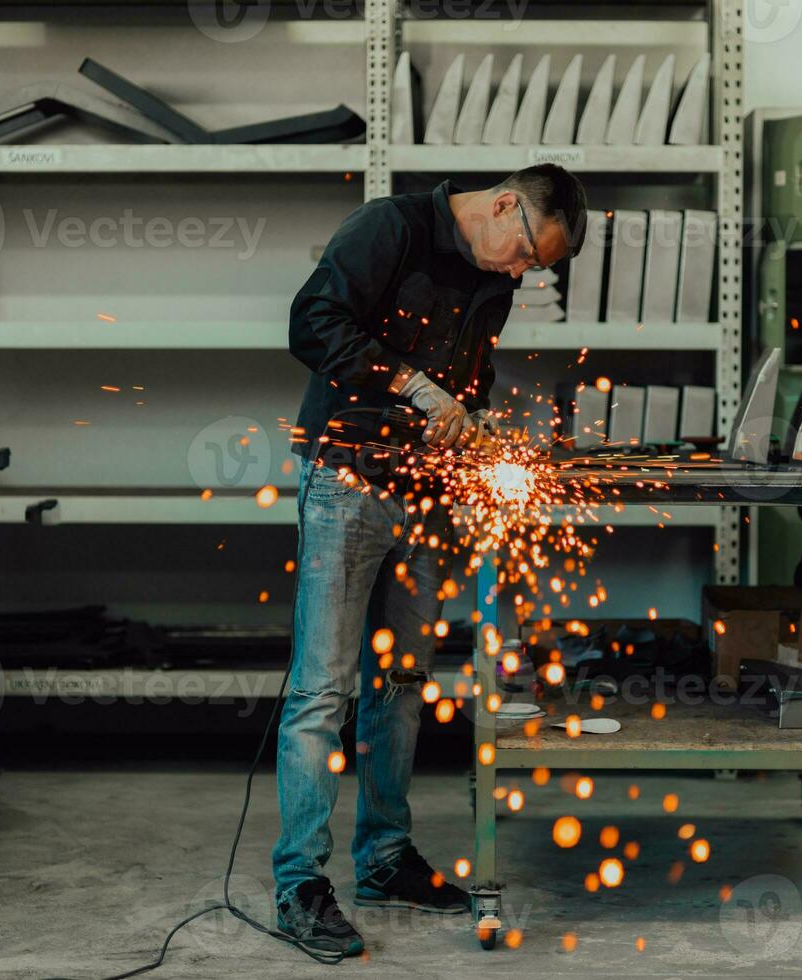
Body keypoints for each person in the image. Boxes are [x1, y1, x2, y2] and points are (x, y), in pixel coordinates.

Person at [272, 165, 587, 960]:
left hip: (424, 493)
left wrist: (473, 417)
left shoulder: (495, 275)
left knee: (402, 684)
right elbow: (311, 323)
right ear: (503, 203)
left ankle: (382, 860)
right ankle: (300, 883)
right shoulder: (391, 229)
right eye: (523, 253)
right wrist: (415, 387)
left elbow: (470, 377)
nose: (521, 273)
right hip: (344, 481)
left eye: (533, 269)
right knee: (321, 689)